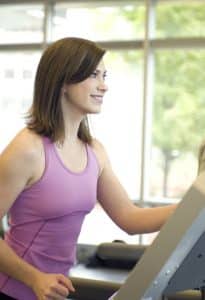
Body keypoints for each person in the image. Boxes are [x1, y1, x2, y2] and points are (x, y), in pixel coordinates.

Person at [0, 37, 177, 300]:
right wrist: (34, 278)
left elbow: (129, 218)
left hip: (54, 291)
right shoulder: (28, 149)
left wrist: (192, 209)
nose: (104, 86)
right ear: (63, 81)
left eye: (104, 75)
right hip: (12, 291)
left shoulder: (94, 152)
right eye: (94, 75)